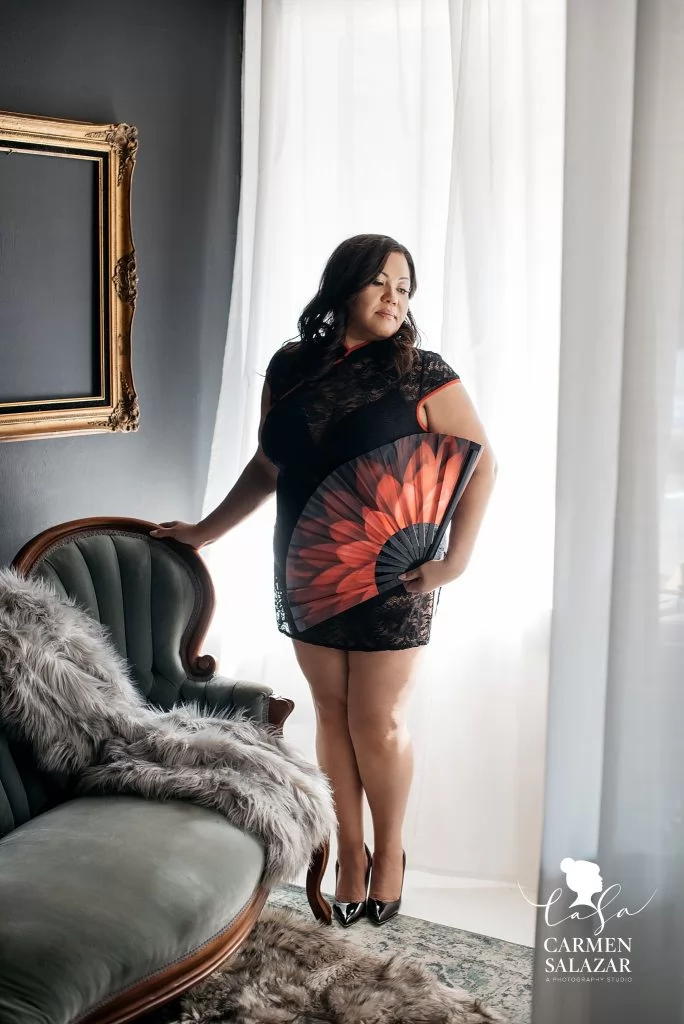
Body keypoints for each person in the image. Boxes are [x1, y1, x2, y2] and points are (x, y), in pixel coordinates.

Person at [151, 233, 497, 927]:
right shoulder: (290, 366)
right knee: (332, 714)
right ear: (344, 287)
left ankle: (391, 854)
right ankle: (348, 854)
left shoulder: (422, 372)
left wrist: (456, 561)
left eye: (405, 286)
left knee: (379, 719)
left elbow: (480, 462)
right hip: (305, 559)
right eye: (382, 282)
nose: (396, 296)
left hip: (394, 569)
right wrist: (204, 532)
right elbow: (268, 466)